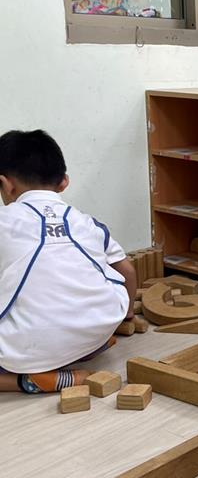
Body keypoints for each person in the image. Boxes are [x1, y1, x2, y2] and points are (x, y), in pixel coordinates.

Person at [0, 129, 136, 393]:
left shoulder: (4, 220)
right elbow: (127, 271)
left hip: (30, 350)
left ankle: (31, 381)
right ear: (64, 182)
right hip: (98, 331)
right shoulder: (87, 222)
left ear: (6, 184)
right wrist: (126, 316)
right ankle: (88, 348)